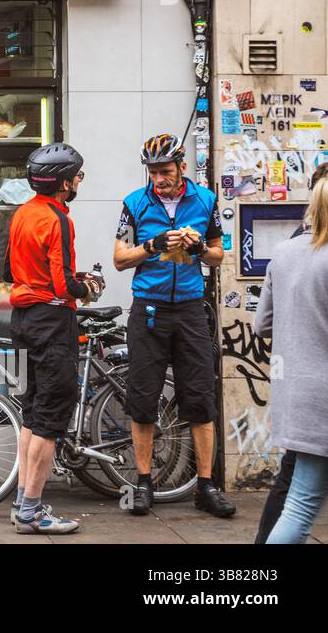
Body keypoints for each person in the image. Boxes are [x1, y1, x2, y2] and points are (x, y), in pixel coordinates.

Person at [113, 133, 235, 518]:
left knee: (200, 397)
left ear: (182, 167)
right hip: (148, 309)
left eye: (165, 171)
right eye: (152, 172)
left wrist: (199, 249)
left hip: (190, 310)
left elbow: (218, 255)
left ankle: (205, 485)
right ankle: (144, 482)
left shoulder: (205, 201)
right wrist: (152, 245)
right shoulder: (135, 203)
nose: (158, 179)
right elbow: (119, 259)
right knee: (144, 399)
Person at [6, 143, 101, 535]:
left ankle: (21, 502)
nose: (79, 180)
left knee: (32, 412)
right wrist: (88, 287)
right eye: (77, 176)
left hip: (23, 318)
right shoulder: (57, 219)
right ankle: (31, 511)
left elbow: (13, 268)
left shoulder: (22, 214)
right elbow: (63, 283)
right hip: (52, 321)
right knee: (49, 419)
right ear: (63, 183)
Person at [254, 159, 328, 543]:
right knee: (300, 504)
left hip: (296, 396)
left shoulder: (284, 253)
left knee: (298, 500)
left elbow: (261, 324)